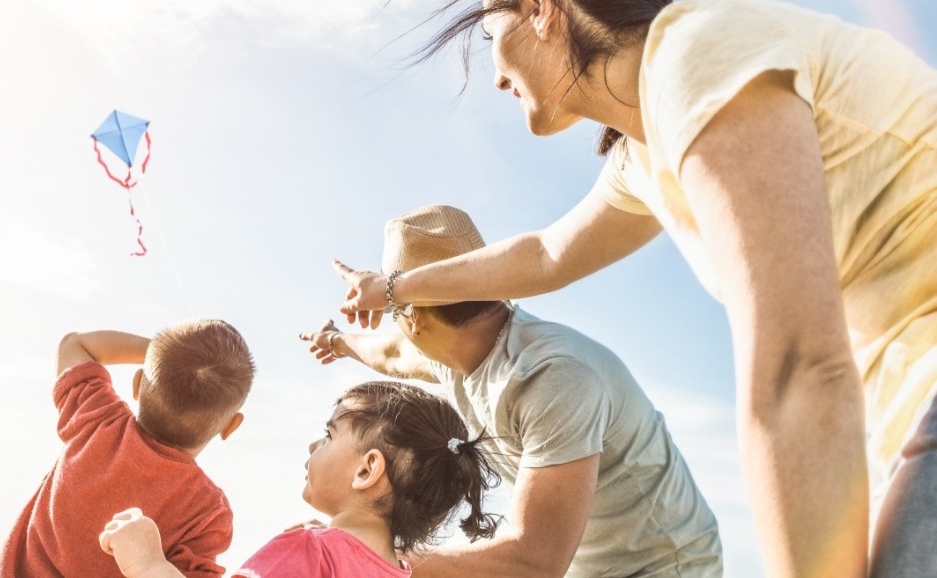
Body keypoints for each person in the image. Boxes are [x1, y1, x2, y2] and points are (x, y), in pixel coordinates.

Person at [330, 1, 937, 576]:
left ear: (543, 11)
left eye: (492, 37)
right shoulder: (647, 153)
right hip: (908, 415)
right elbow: (544, 255)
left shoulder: (696, 58)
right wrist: (393, 287)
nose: (495, 77)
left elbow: (797, 368)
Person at [307, 205, 722, 577]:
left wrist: (374, 555)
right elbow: (389, 354)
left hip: (666, 566)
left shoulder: (551, 377)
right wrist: (335, 342)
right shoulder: (455, 352)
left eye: (393, 312)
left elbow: (535, 560)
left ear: (413, 318)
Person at [98, 381, 501, 578]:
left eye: (329, 435)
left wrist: (148, 562)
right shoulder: (395, 571)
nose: (313, 445)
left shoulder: (309, 552)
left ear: (366, 471)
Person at [0, 321, 255, 578]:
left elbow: (74, 345)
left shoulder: (97, 420)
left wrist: (161, 355)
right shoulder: (207, 512)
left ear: (136, 384)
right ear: (230, 426)